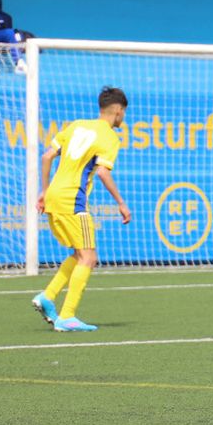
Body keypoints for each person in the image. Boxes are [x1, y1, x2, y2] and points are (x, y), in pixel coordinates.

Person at [31, 87, 132, 332]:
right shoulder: (109, 137)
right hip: (73, 201)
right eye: (124, 113)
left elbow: (46, 157)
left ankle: (48, 296)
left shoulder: (76, 125)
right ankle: (67, 316)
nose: (123, 118)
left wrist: (44, 191)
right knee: (89, 257)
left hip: (55, 195)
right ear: (118, 111)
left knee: (79, 254)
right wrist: (121, 202)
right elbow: (102, 172)